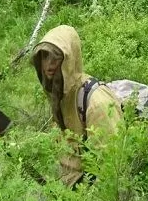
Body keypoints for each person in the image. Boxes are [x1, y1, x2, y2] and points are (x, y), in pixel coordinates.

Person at [32, 25, 123, 188]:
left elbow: (112, 165)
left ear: (70, 59)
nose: (48, 65)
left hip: (94, 195)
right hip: (72, 189)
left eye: (55, 58)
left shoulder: (97, 102)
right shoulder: (61, 96)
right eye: (45, 57)